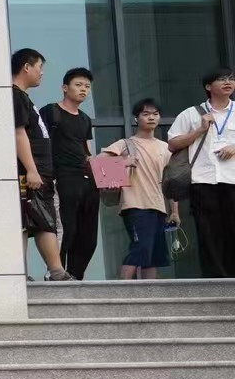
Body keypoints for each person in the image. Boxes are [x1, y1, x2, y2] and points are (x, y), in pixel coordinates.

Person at [100, 99, 181, 280]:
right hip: (134, 205)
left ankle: (149, 294)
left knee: (153, 256)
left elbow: (171, 182)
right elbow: (98, 162)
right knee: (140, 248)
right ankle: (121, 291)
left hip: (158, 207)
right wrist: (123, 162)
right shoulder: (126, 144)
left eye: (155, 114)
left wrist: (174, 211)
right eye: (146, 114)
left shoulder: (165, 148)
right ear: (136, 118)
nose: (151, 117)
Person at [167, 68, 235, 278]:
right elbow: (172, 144)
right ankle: (216, 280)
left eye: (231, 79)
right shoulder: (191, 113)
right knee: (208, 233)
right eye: (221, 79)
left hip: (232, 180)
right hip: (202, 182)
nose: (228, 82)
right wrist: (199, 130)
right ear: (208, 86)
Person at [12, 48, 72, 281]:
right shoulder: (15, 95)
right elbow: (19, 134)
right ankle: (21, 274)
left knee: (44, 221)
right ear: (26, 67)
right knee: (24, 222)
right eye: (39, 67)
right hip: (30, 173)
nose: (42, 73)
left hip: (40, 173)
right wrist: (31, 170)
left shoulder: (23, 97)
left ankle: (56, 271)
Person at [43, 68, 100, 280]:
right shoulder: (51, 112)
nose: (83, 89)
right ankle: (55, 274)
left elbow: (87, 151)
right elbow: (38, 142)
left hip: (86, 179)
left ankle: (76, 276)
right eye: (78, 85)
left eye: (87, 86)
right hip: (62, 177)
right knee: (66, 228)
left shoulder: (85, 119)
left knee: (88, 234)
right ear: (65, 88)